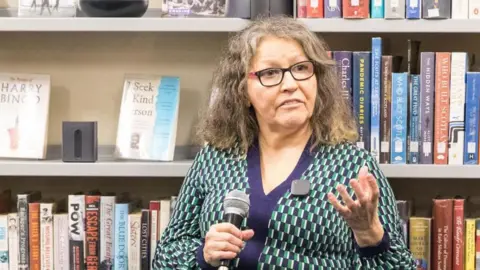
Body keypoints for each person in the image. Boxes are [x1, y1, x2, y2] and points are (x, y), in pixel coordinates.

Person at [153, 16, 416, 269]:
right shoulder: (215, 156)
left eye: (301, 68)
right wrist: (204, 255)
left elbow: (401, 267)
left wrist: (369, 234)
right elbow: (165, 256)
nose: (290, 84)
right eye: (270, 73)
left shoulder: (353, 165)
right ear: (242, 91)